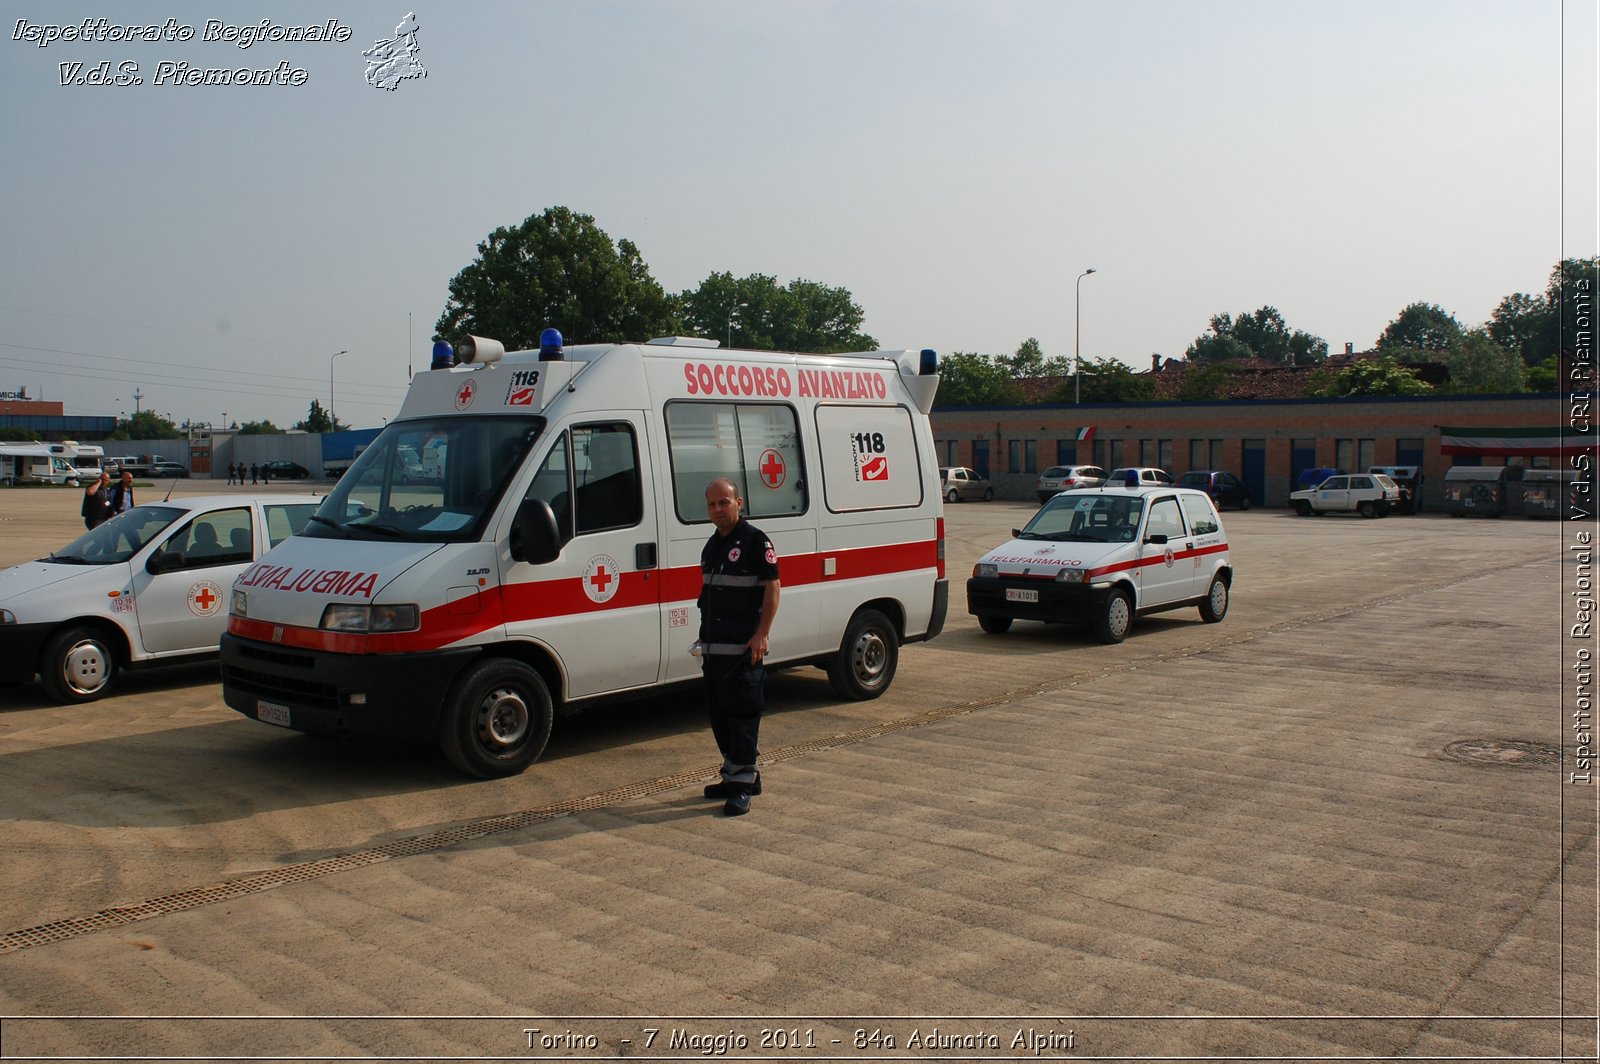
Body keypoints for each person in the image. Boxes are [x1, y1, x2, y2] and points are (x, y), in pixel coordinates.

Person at [696, 478, 780, 817]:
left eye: (724, 502)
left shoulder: (754, 541)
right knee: (720, 718)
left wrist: (762, 633)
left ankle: (741, 785)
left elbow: (773, 587)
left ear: (739, 503)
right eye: (712, 504)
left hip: (744, 651)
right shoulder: (711, 546)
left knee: (743, 717)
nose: (718, 509)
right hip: (715, 651)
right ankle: (738, 775)